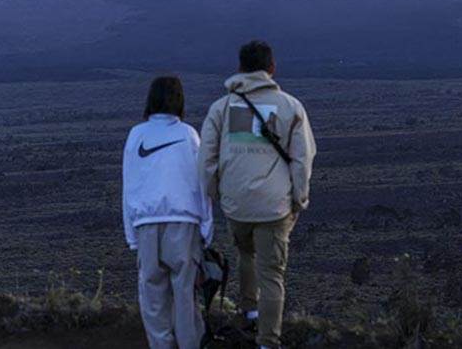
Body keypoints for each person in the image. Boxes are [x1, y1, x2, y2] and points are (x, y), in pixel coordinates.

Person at [199, 40, 316, 349]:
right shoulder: (291, 106)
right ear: (272, 69)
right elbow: (303, 159)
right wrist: (298, 200)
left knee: (245, 253)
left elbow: (206, 160)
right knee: (273, 273)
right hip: (274, 206)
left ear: (240, 69)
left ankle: (249, 310)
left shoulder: (221, 108)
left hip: (236, 205)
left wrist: (218, 196)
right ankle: (268, 342)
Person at [122, 75, 213, 349]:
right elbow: (201, 184)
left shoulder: (137, 135)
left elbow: (129, 184)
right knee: (185, 295)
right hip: (183, 223)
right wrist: (206, 227)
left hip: (146, 223)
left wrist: (131, 234)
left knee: (153, 296)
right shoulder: (188, 134)